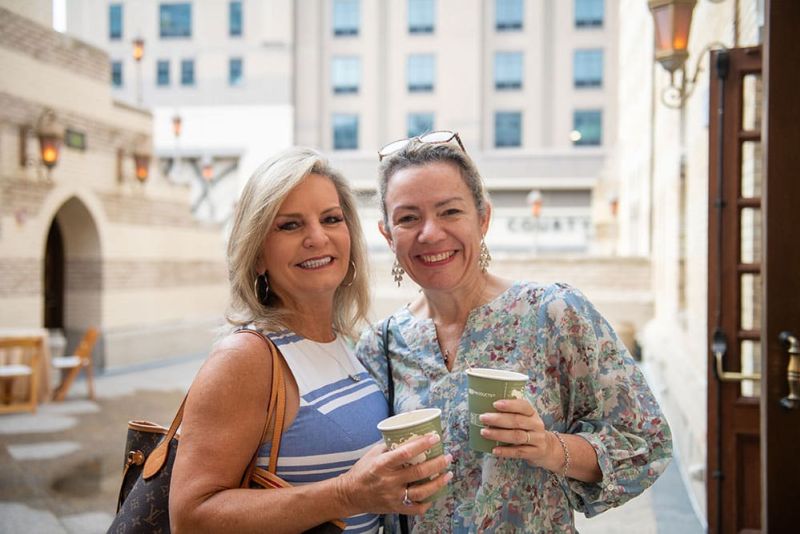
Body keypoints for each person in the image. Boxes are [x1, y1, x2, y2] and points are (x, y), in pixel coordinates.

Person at [355, 132, 673, 532]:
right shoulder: (381, 346)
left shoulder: (553, 313)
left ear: (483, 219)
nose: (430, 233)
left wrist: (548, 448)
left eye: (450, 211)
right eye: (408, 218)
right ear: (387, 235)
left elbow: (645, 443)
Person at [170, 147, 452, 533]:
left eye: (331, 219)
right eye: (290, 225)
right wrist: (346, 495)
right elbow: (189, 518)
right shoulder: (246, 357)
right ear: (257, 254)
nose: (317, 237)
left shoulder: (346, 345)